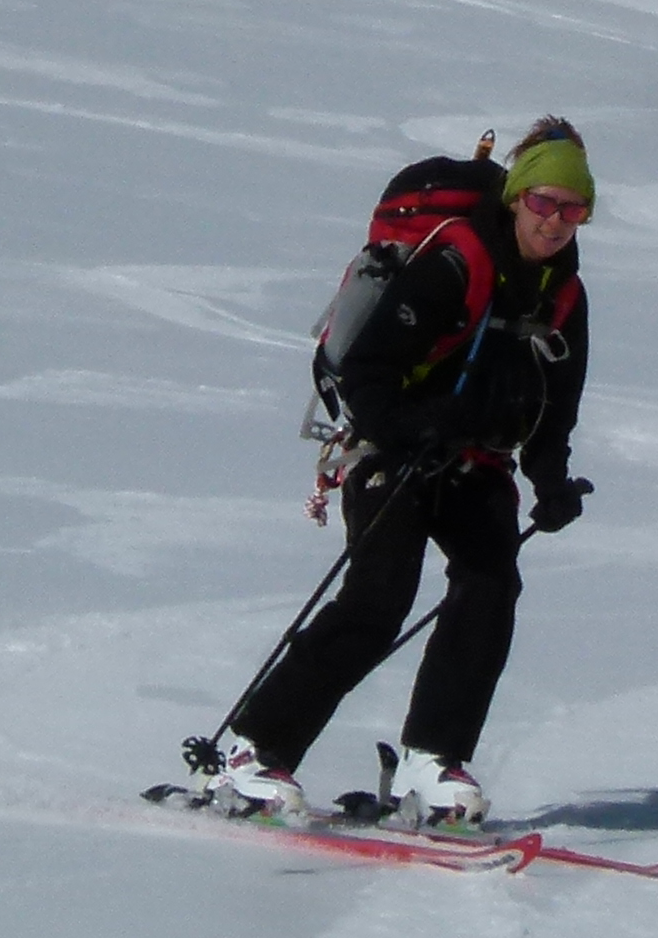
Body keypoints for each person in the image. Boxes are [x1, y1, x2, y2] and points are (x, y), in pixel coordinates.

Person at [191, 119, 594, 824]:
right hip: (389, 450)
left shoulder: (564, 293)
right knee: (378, 600)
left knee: (490, 589)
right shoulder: (457, 259)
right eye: (544, 204)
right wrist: (411, 430)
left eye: (574, 209)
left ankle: (432, 760)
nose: (556, 222)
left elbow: (556, 403)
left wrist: (552, 481)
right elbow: (368, 371)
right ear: (517, 198)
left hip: (476, 460)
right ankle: (255, 750)